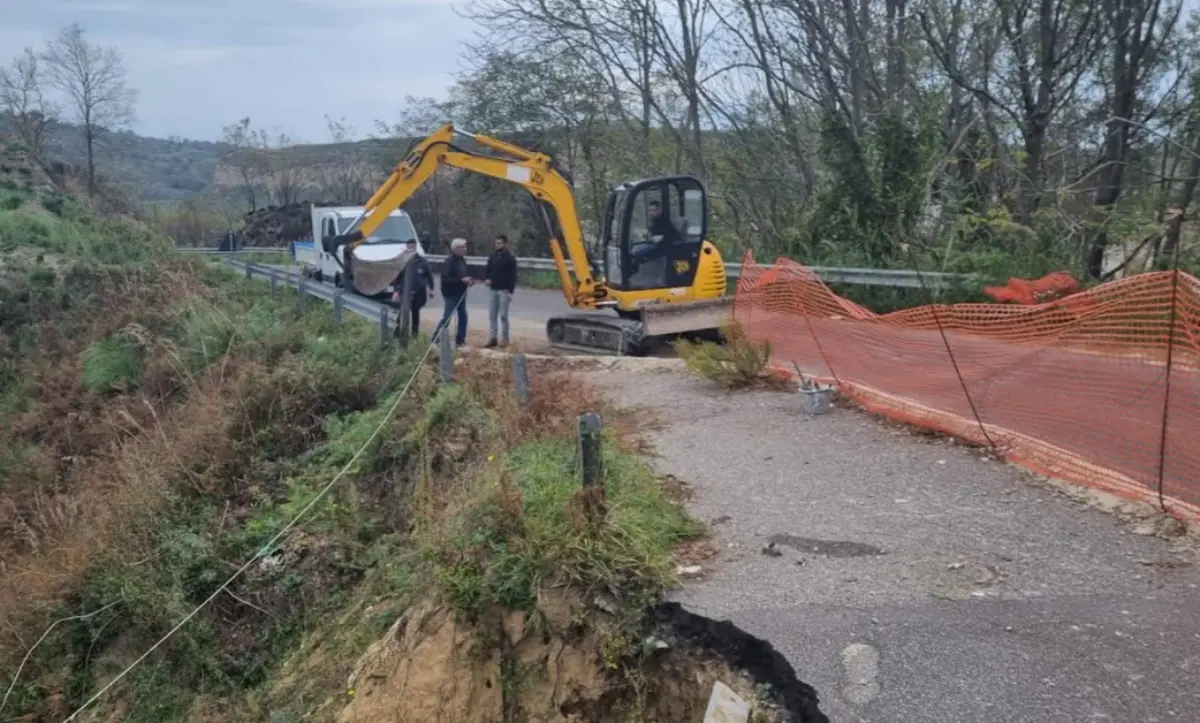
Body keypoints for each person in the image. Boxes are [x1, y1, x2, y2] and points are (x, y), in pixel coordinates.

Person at [390, 239, 435, 336]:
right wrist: (396, 291)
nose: (410, 249)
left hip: (419, 291)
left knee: (415, 313)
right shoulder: (402, 261)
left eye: (412, 247)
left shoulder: (422, 261)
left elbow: (429, 276)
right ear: (406, 247)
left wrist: (431, 289)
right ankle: (398, 334)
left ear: (415, 247)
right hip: (405, 291)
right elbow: (396, 278)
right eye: (409, 247)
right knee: (402, 313)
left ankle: (415, 335)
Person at [435, 237, 473, 347]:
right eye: (463, 247)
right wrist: (461, 280)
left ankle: (460, 341)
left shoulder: (462, 260)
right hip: (450, 294)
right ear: (456, 248)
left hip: (461, 293)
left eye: (465, 247)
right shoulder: (449, 261)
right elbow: (445, 279)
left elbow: (465, 275)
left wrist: (469, 280)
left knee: (463, 317)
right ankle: (435, 338)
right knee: (447, 318)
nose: (465, 249)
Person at [484, 234, 517, 348]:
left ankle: (505, 338)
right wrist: (488, 279)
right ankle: (493, 337)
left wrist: (510, 292)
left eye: (500, 243)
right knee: (492, 315)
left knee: (503, 315)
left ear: (505, 244)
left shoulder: (510, 258)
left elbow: (513, 276)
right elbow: (488, 269)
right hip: (493, 289)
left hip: (504, 290)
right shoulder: (492, 256)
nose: (497, 245)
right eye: (496, 243)